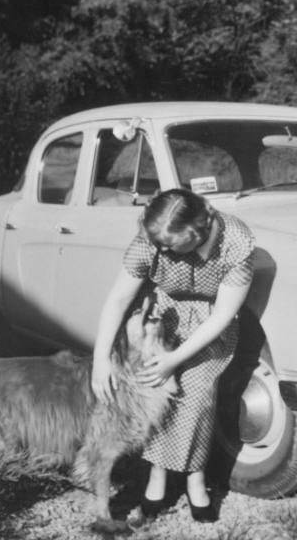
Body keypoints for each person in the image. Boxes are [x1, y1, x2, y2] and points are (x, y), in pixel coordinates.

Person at [91, 187, 255, 525]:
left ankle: (193, 477)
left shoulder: (237, 241)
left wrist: (175, 359)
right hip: (160, 312)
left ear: (197, 231)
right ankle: (158, 474)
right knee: (154, 389)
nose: (162, 250)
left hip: (209, 324)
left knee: (196, 392)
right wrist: (100, 359)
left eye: (171, 244)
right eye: (159, 244)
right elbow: (119, 299)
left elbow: (223, 315)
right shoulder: (151, 238)